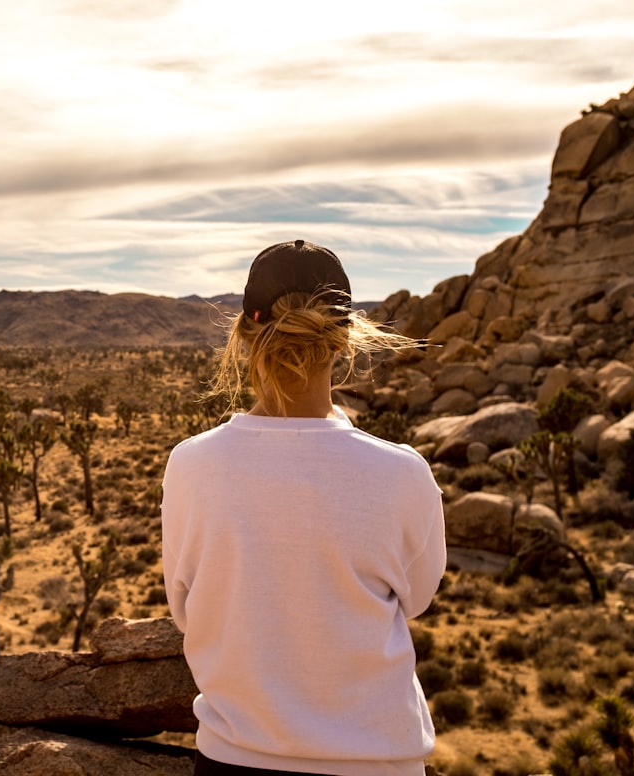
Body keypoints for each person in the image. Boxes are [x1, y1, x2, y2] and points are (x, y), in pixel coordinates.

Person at [161, 239, 446, 776]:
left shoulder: (190, 465)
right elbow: (416, 598)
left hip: (234, 759)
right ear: (343, 339)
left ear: (245, 333)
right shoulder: (402, 473)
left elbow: (185, 610)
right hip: (375, 764)